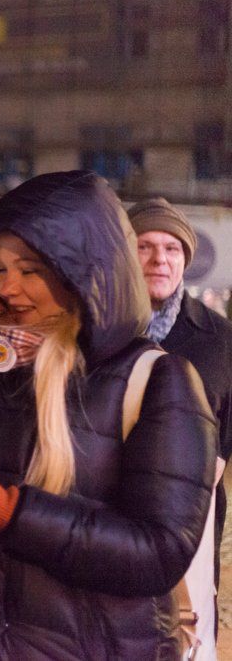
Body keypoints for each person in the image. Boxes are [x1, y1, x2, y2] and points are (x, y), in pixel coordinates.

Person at [0, 170, 216, 659]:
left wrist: (6, 507)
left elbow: (158, 555)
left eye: (30, 270)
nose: (7, 286)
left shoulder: (159, 379)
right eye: (0, 268)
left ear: (85, 271)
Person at [129, 197, 232, 659]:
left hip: (193, 515)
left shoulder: (219, 337)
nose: (160, 259)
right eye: (145, 246)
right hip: (112, 507)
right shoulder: (101, 331)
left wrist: (219, 454)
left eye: (171, 249)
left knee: (187, 632)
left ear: (185, 259)